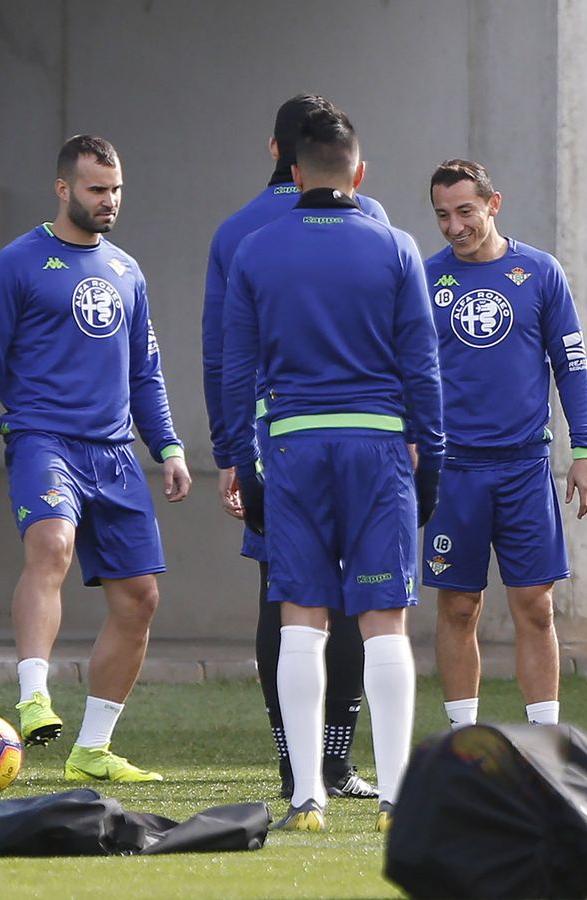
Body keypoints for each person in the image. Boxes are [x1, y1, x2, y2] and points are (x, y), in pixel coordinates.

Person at [222, 103, 442, 834]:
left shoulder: (255, 249)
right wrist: (432, 461)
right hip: (379, 450)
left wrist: (237, 460)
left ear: (292, 169)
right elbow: (423, 367)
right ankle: (396, 798)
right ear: (360, 172)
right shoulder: (396, 247)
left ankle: (307, 797)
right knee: (385, 622)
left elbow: (236, 371)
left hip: (293, 448)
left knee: (301, 617)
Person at [0, 135, 191, 784]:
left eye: (116, 189)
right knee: (52, 545)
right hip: (43, 441)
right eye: (96, 189)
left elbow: (145, 372)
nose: (109, 200)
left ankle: (92, 749)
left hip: (115, 452)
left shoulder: (127, 271)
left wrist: (168, 447)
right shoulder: (16, 264)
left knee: (140, 599)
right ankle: (33, 695)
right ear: (63, 189)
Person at [202, 94, 384, 801]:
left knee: (280, 594)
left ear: (276, 150)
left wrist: (228, 453)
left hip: (274, 439)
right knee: (357, 595)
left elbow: (221, 355)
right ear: (349, 163)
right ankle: (338, 762)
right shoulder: (373, 220)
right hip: (363, 438)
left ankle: (293, 766)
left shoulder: (236, 232)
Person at [423, 159, 587, 729]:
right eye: (443, 215)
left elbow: (571, 363)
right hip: (453, 471)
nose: (454, 227)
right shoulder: (425, 278)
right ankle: (465, 740)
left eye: (465, 211)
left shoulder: (540, 272)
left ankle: (546, 743)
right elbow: (406, 372)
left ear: (493, 204)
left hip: (524, 468)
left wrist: (586, 451)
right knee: (458, 606)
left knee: (536, 606)